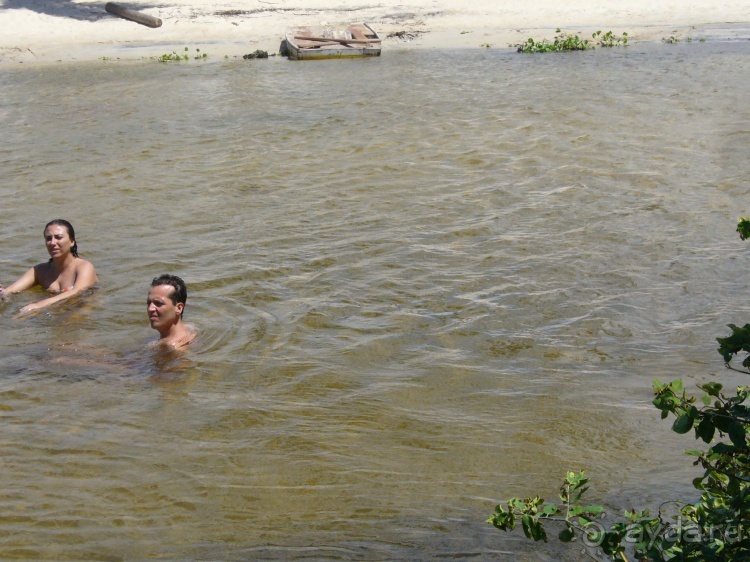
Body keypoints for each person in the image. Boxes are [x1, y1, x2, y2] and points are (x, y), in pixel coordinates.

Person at [0, 219, 98, 314]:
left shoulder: (84, 267)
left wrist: (39, 305)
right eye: (48, 238)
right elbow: (11, 290)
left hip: (81, 311)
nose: (52, 243)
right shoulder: (39, 271)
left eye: (58, 237)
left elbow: (77, 292)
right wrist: (2, 293)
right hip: (53, 313)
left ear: (72, 241)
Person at [147, 274, 196, 349]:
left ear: (179, 308)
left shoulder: (175, 350)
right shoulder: (191, 328)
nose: (150, 308)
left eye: (158, 303)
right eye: (149, 303)